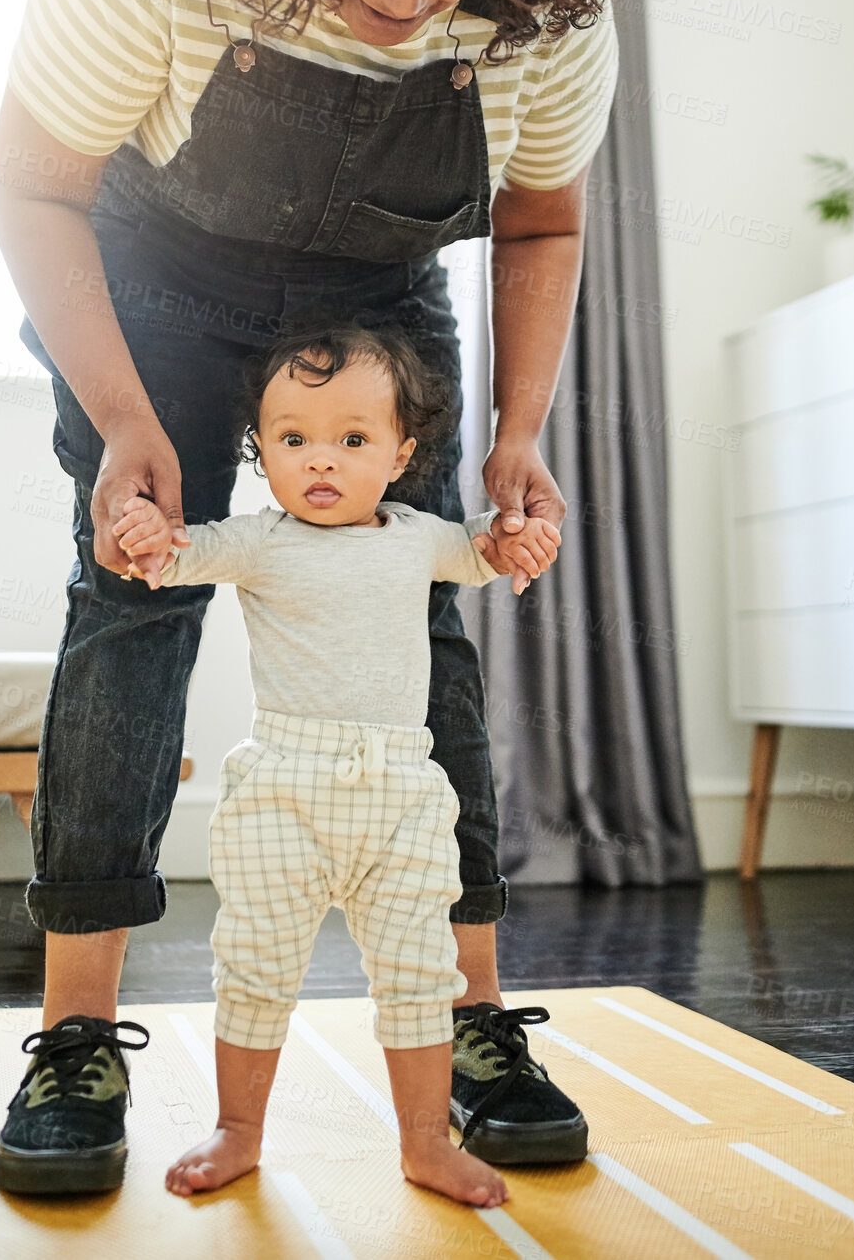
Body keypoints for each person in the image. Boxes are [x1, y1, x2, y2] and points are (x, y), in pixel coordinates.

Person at [0, 0, 635, 1196]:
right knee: (126, 605)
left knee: (433, 634)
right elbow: (36, 183)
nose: (410, 5)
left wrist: (520, 433)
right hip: (150, 268)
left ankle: (475, 1019)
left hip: (376, 291)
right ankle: (76, 1040)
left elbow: (541, 221)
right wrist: (127, 419)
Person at [111, 323, 559, 1205]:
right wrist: (142, 530)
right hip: (283, 790)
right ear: (262, 453)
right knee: (255, 963)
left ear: (400, 454)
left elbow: (487, 547)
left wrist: (521, 541)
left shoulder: (419, 535)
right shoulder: (258, 540)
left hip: (401, 797)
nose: (321, 460)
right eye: (293, 440)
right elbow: (170, 553)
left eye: (351, 440)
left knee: (421, 975)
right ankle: (237, 1129)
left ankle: (425, 1142)